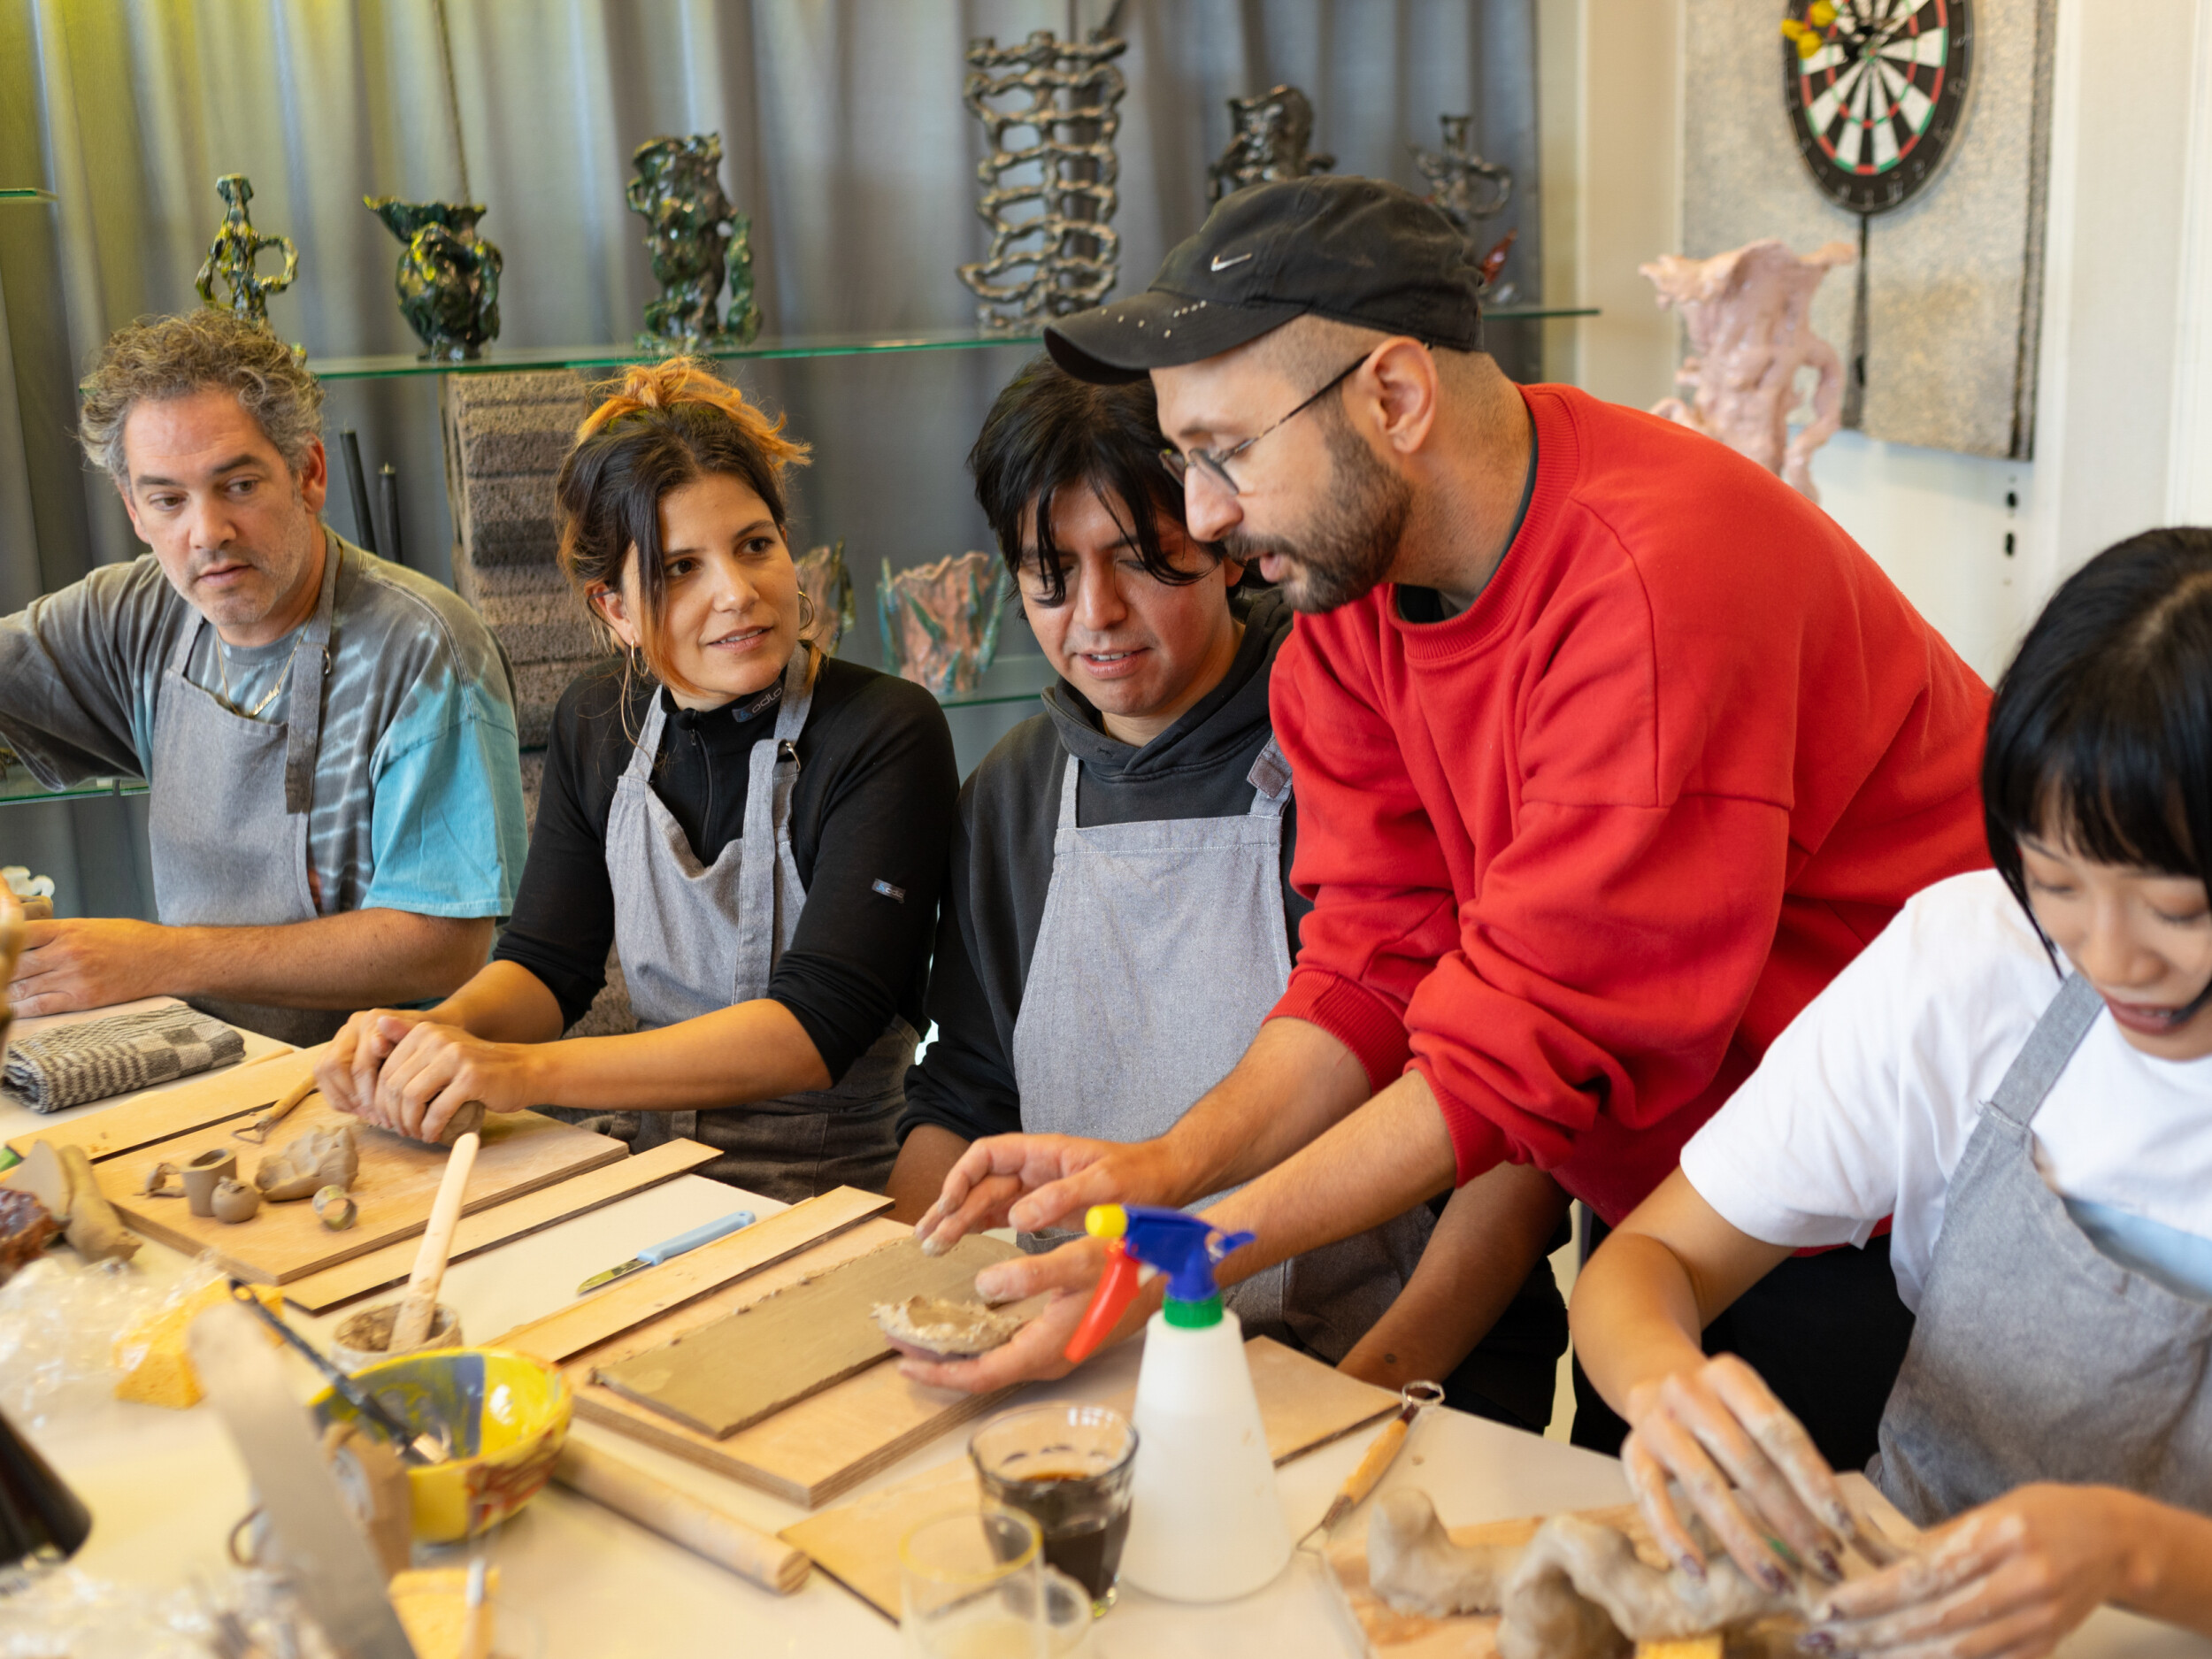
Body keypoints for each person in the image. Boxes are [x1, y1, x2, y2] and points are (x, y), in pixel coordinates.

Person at [905, 176, 1991, 1464]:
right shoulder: (1354, 596)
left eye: (1224, 452)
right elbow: (1372, 957)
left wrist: (1200, 1248)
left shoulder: (1655, 584)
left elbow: (1518, 1049)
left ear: (1397, 398)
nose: (1200, 516)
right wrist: (1162, 1167)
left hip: (1900, 1209)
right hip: (1681, 1190)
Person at [887, 357, 1568, 1424]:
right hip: (1094, 1362)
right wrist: (918, 1296)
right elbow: (963, 1098)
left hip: (1362, 1368)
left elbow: (1514, 1147)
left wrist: (1364, 1396)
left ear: (1227, 541)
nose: (1096, 615)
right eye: (1049, 575)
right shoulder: (1012, 794)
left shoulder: (1360, 748)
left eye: (1139, 560)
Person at [1570, 527, 2212, 1659]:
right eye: (2058, 883)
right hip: (1900, 1618)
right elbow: (1646, 1261)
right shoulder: (1973, 965)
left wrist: (2129, 1551)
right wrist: (1673, 1389)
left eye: (2175, 909)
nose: (2111, 956)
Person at [317, 360, 956, 1202]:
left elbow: (813, 1027)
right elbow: (548, 968)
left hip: (835, 1196)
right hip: (659, 1183)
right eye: (679, 568)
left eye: (755, 545)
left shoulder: (884, 730)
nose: (738, 592)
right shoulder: (598, 721)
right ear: (613, 607)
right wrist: (430, 1032)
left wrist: (519, 1071)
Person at [0, 309, 527, 1043]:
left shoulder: (423, 649)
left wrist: (159, 959)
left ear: (308, 473)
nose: (206, 532)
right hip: (215, 1064)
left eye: (238, 485)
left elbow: (441, 945)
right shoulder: (135, 612)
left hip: (393, 1087)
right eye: (168, 500)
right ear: (133, 510)